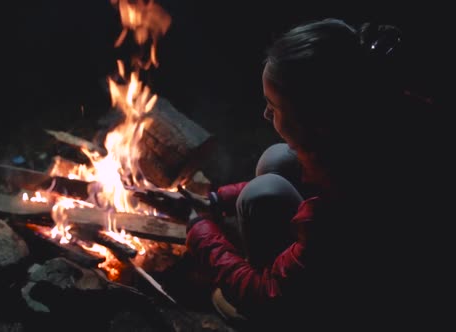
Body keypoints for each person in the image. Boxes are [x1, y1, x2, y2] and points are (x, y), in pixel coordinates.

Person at [136, 18, 436, 329]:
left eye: (274, 107)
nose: (266, 114)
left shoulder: (342, 209)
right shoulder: (368, 118)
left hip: (364, 303)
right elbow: (313, 171)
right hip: (356, 248)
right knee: (278, 159)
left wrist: (198, 228)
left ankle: (276, 320)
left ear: (318, 121)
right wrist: (212, 202)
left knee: (261, 193)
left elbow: (267, 291)